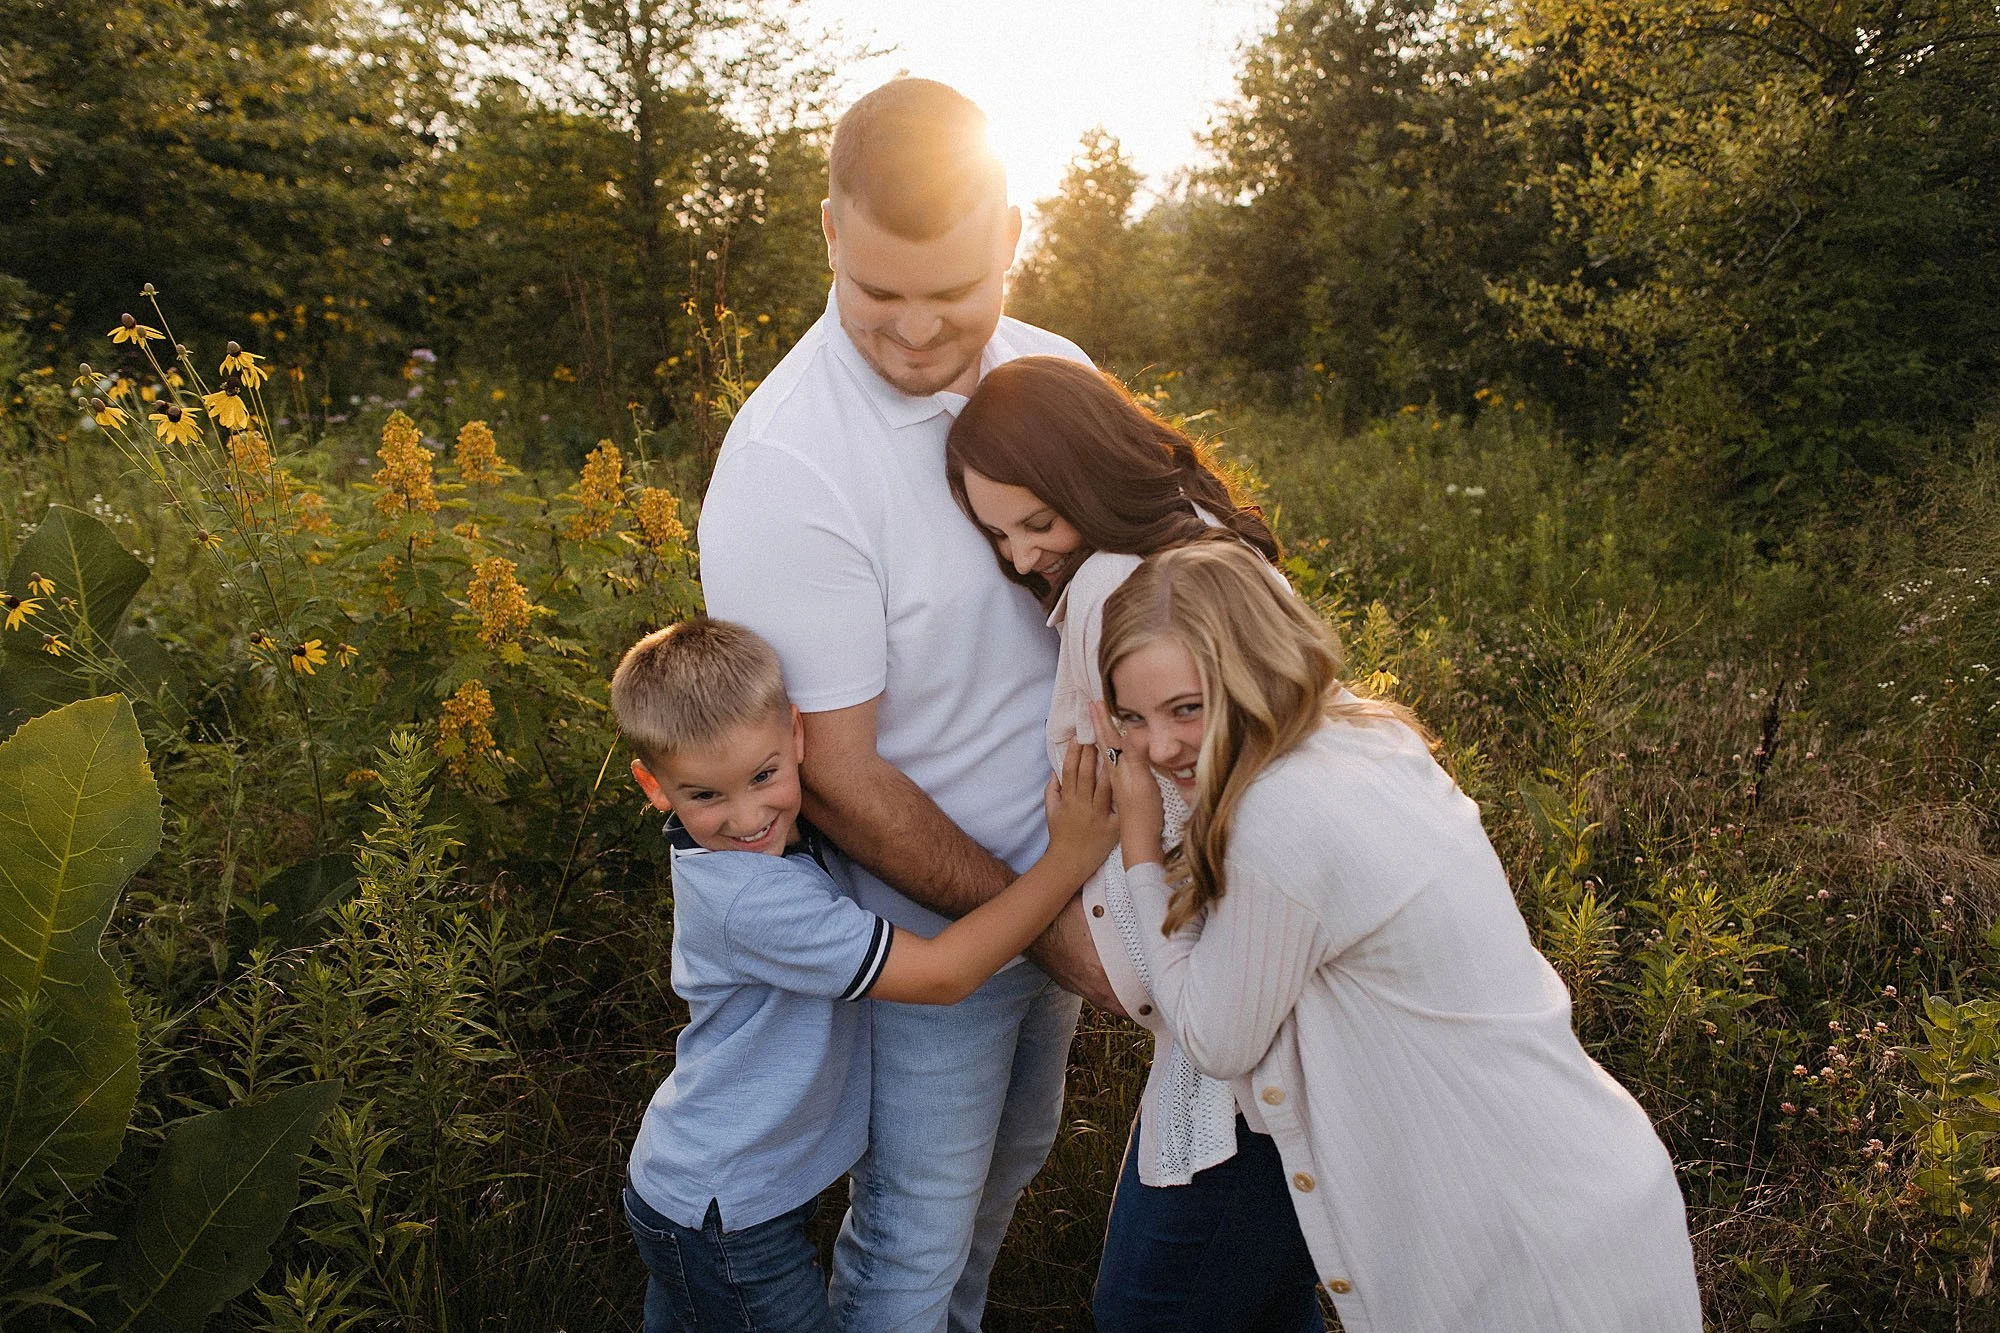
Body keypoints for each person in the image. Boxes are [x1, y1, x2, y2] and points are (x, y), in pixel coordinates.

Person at [695, 79, 1113, 1332]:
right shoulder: (789, 465)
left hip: (1079, 875)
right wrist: (1041, 927)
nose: (921, 333)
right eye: (880, 294)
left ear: (1013, 236)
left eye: (954, 292)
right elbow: (831, 770)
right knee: (913, 1232)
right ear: (828, 234)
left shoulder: (1054, 370)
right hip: (930, 915)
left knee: (1003, 1182)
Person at [1089, 541, 1705, 1332]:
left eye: (1187, 708)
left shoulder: (1281, 812)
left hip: (1518, 1253)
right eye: (1132, 718)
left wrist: (1139, 846)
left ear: (1254, 671)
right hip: (1574, 1191)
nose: (1160, 748)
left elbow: (1215, 1037)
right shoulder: (1362, 736)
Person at [942, 355, 1319, 1330]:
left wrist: (1085, 902)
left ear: (1088, 480)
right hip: (1287, 968)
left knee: (1146, 1306)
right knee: (1263, 1293)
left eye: (1036, 523)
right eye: (997, 535)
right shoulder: (1213, 551)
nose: (1022, 557)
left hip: (1231, 989)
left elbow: (1120, 795)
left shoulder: (1117, 585)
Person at [610, 618, 1116, 1333]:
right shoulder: (753, 900)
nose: (750, 817)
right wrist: (1067, 860)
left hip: (716, 1186)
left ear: (797, 735)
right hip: (726, 1216)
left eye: (764, 776)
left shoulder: (742, 849)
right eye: (706, 796)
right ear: (653, 786)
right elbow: (944, 974)